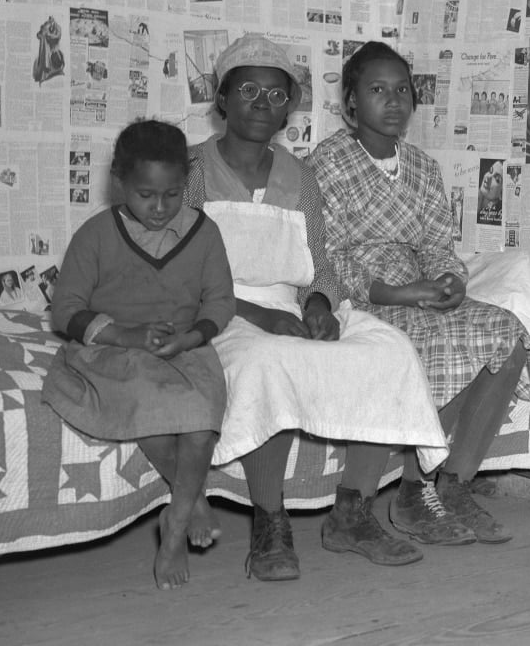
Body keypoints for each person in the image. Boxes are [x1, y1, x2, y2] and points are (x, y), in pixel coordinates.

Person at [184, 34, 447, 582]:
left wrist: (320, 306)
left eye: (277, 95)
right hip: (217, 309)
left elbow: (319, 263)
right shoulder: (191, 172)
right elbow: (176, 270)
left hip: (291, 304)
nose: (262, 103)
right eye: (248, 90)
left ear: (290, 108)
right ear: (222, 101)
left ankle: (352, 511)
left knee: (387, 351)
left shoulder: (300, 177)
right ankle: (270, 521)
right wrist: (259, 318)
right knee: (266, 360)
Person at [310, 41, 530, 546]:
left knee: (506, 331)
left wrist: (449, 282)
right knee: (419, 342)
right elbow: (324, 255)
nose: (393, 101)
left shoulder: (423, 168)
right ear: (350, 102)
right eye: (377, 90)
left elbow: (438, 246)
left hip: (417, 288)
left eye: (402, 91)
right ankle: (387, 499)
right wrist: (396, 293)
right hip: (359, 296)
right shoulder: (326, 164)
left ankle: (447, 485)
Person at [41, 120, 235, 590]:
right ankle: (189, 504)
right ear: (120, 184)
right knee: (146, 400)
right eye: (146, 195)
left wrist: (190, 339)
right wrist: (125, 335)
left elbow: (220, 302)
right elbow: (66, 311)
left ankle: (176, 516)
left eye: (171, 195)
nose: (160, 207)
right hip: (115, 349)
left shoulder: (204, 233)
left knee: (200, 417)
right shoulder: (96, 234)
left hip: (184, 347)